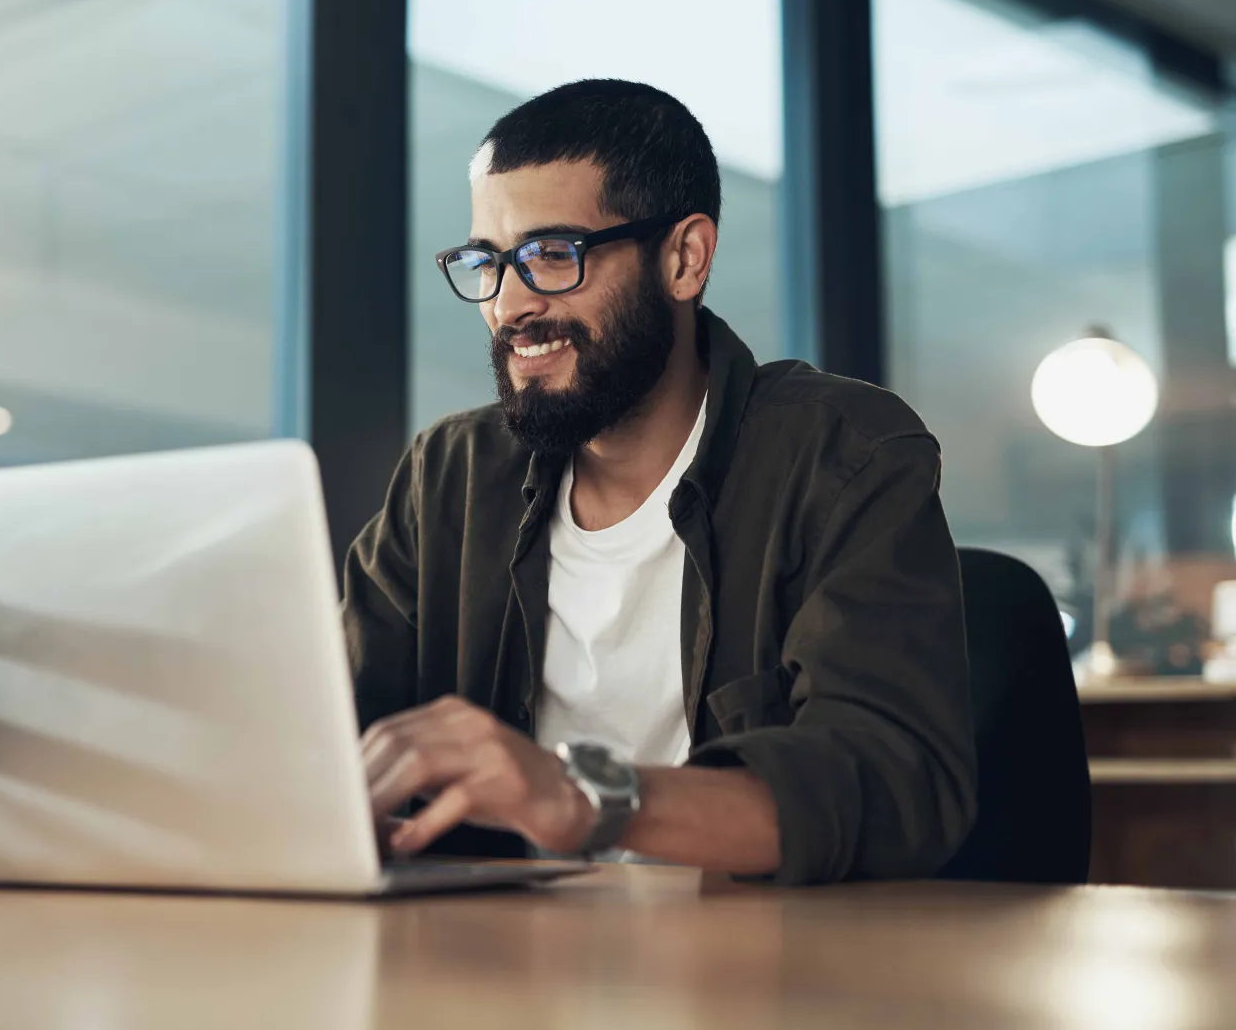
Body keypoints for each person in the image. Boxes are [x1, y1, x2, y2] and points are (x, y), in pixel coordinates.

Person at [346, 79, 976, 884]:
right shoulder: (451, 476)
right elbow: (329, 726)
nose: (508, 305)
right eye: (487, 261)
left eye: (551, 254)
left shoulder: (843, 454)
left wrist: (586, 797)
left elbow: (894, 780)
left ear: (684, 258)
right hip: (496, 965)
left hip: (758, 973)